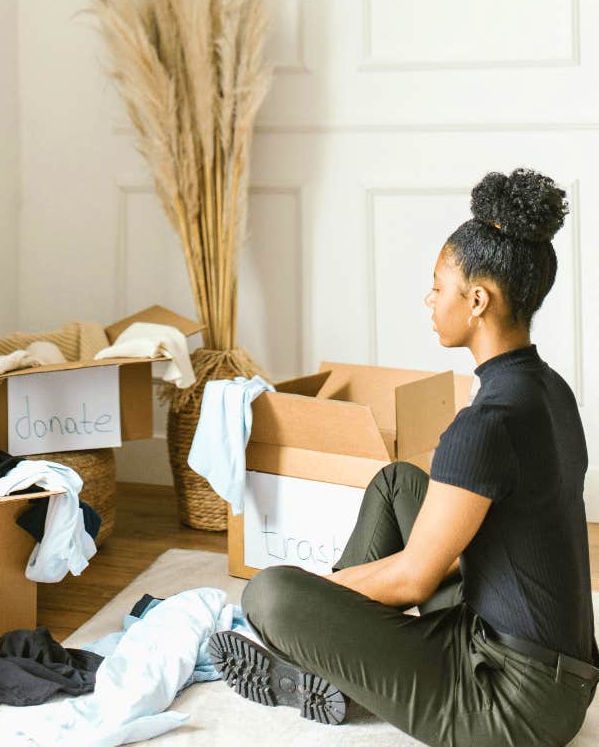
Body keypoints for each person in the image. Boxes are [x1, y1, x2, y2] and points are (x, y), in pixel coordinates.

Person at [210, 167, 598, 747]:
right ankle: (341, 658)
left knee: (268, 593)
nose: (429, 299)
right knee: (397, 484)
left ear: (476, 300)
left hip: (515, 706)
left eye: (438, 287)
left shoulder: (485, 423)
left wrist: (317, 602)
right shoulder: (549, 390)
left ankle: (324, 662)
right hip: (550, 666)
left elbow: (415, 579)